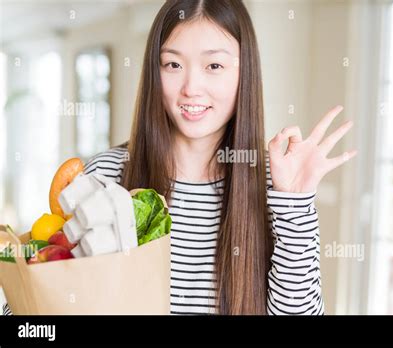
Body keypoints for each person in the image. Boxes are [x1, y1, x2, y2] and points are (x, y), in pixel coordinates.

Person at [3, 0, 356, 316]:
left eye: (214, 66)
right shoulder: (106, 175)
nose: (191, 87)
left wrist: (293, 202)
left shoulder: (276, 186)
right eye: (173, 64)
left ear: (244, 73)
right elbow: (33, 300)